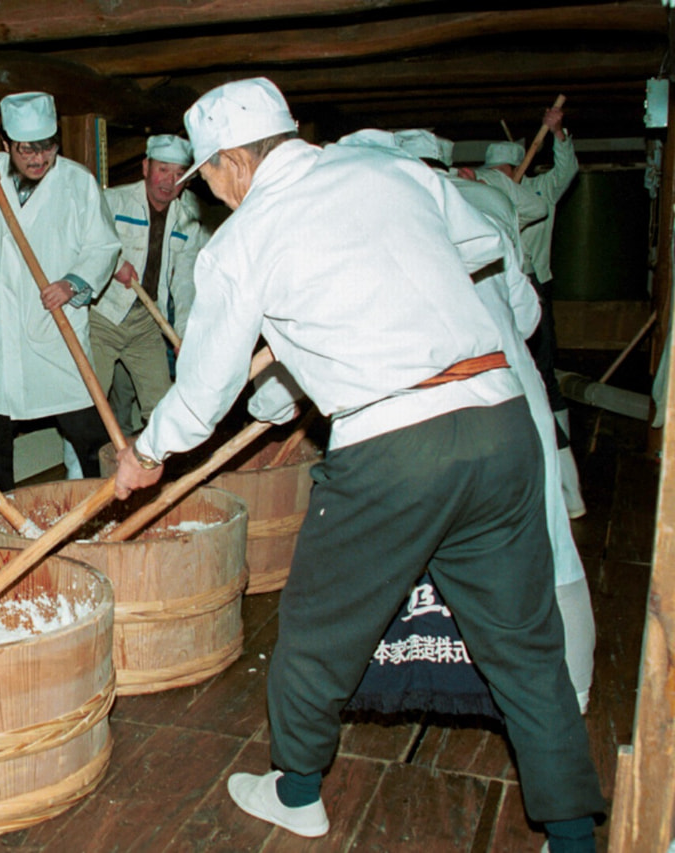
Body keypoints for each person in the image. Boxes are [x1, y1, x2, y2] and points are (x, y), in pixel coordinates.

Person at [114, 80, 604, 852]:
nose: (210, 194)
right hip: (500, 422)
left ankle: (297, 791)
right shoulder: (391, 173)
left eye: (209, 176)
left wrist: (144, 452)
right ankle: (573, 836)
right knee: (524, 643)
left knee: (314, 629)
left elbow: (203, 392)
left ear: (236, 162)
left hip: (396, 446)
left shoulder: (243, 241)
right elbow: (481, 247)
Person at [398, 127, 596, 713]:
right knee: (551, 541)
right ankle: (575, 692)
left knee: (415, 548)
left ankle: (422, 679)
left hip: (429, 402)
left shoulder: (383, 213)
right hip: (511, 392)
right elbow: (528, 316)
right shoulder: (485, 204)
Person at [0, 91, 121, 492]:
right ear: (5, 144)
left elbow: (103, 246)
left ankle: (108, 507)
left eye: (46, 148)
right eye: (25, 150)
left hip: (55, 326)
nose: (37, 159)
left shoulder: (76, 182)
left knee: (88, 431)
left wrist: (72, 284)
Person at [474, 107, 585, 518]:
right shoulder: (483, 190)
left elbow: (567, 169)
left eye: (505, 170)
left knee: (543, 372)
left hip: (534, 285)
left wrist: (557, 134)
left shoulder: (539, 191)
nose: (500, 176)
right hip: (497, 285)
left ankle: (562, 462)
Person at [91, 134, 207, 432]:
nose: (169, 181)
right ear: (146, 168)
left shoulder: (188, 219)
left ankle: (158, 473)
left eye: (180, 174)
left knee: (162, 408)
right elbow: (85, 245)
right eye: (163, 169)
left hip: (146, 321)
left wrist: (182, 335)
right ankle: (80, 475)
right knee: (89, 406)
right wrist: (113, 263)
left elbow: (184, 283)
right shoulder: (112, 201)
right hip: (103, 318)